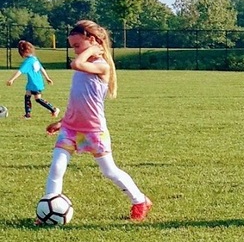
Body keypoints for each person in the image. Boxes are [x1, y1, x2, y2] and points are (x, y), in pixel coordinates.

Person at [42, 20, 151, 221]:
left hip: (93, 131)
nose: (74, 51)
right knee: (57, 166)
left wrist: (92, 49)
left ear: (92, 40)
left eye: (77, 45)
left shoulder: (101, 66)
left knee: (109, 170)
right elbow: (77, 100)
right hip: (71, 129)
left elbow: (77, 63)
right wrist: (62, 121)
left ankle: (139, 200)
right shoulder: (82, 67)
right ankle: (47, 209)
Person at [6, 40, 59, 119]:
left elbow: (20, 71)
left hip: (35, 83)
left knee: (38, 99)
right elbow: (41, 69)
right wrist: (47, 78)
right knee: (27, 96)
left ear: (23, 51)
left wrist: (12, 79)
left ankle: (54, 109)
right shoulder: (34, 59)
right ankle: (27, 115)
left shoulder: (28, 61)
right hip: (34, 82)